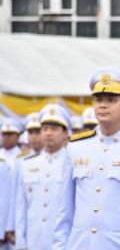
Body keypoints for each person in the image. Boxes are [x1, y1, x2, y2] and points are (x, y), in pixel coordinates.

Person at [53, 66, 120, 250]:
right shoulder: (76, 147)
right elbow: (64, 210)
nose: (103, 105)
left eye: (111, 99)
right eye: (98, 99)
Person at [15, 104, 71, 250]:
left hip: (63, 242)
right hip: (34, 242)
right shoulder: (27, 165)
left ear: (65, 133)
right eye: (44, 129)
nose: (48, 133)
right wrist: (21, 244)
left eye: (54, 129)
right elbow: (21, 208)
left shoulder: (72, 163)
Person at [0, 118, 23, 250]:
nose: (6, 138)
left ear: (17, 136)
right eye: (4, 134)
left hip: (15, 215)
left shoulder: (23, 158)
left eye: (10, 134)